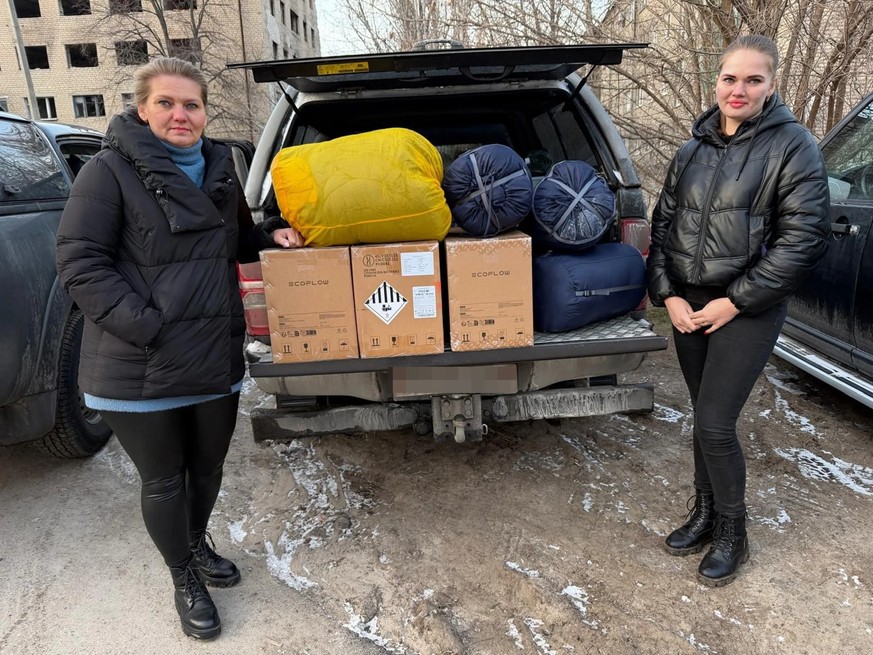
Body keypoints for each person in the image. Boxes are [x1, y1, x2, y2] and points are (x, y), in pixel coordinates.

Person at [56, 57, 303, 639]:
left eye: (191, 104)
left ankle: (194, 544)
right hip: (138, 361)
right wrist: (147, 327)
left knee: (207, 470)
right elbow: (78, 262)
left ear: (205, 112)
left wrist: (271, 234)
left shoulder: (219, 167)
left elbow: (237, 238)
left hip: (211, 355)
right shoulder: (108, 171)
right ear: (142, 109)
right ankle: (182, 575)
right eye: (166, 103)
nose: (179, 114)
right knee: (164, 480)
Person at [647, 35, 830, 586]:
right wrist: (669, 294)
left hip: (748, 306)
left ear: (772, 85)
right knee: (702, 418)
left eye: (754, 80)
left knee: (714, 422)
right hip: (690, 305)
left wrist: (736, 300)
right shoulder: (691, 150)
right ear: (716, 81)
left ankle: (733, 531)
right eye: (731, 78)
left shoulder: (793, 146)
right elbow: (662, 227)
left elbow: (805, 238)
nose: (740, 89)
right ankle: (703, 513)